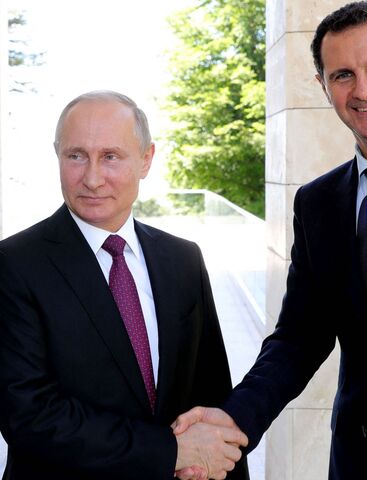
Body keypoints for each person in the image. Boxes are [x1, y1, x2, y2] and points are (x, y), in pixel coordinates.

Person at [173, 1, 367, 479]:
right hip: (356, 464)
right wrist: (233, 420)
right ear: (322, 85)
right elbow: (299, 338)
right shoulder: (318, 203)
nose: (362, 89)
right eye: (342, 75)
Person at [0, 90, 249, 480]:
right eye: (76, 155)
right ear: (58, 156)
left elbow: (212, 395)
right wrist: (169, 451)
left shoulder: (183, 260)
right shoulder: (15, 264)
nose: (92, 178)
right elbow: (28, 414)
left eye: (111, 157)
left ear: (146, 160)